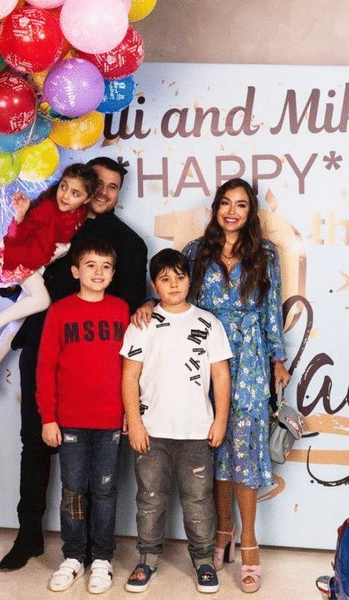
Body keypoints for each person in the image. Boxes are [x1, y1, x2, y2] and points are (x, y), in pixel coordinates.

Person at [133, 179, 291, 593]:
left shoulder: (265, 253)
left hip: (250, 358)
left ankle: (250, 544)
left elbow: (271, 308)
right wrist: (148, 303)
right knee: (213, 446)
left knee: (244, 451)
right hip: (202, 356)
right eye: (225, 203)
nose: (232, 212)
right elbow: (173, 293)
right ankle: (222, 532)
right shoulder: (195, 252)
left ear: (250, 211)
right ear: (216, 208)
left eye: (241, 205)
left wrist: (278, 358)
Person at [0, 156, 148, 571]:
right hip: (44, 345)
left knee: (97, 467)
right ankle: (28, 534)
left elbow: (132, 314)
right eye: (97, 182)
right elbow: (16, 269)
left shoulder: (130, 244)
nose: (103, 191)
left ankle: (97, 551)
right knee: (35, 439)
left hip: (97, 365)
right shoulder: (52, 218)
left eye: (113, 186)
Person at [121, 248, 232, 594]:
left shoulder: (209, 323)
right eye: (165, 279)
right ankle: (147, 559)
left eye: (179, 278)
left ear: (189, 280)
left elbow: (221, 375)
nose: (173, 285)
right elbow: (129, 376)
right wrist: (135, 423)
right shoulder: (142, 323)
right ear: (154, 285)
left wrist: (221, 420)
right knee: (150, 499)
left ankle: (203, 560)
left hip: (196, 431)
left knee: (198, 500)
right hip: (152, 432)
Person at [36, 237, 130, 593]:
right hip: (70, 420)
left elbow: (133, 366)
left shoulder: (122, 310)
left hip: (110, 421)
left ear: (113, 274)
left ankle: (102, 558)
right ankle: (74, 556)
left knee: (105, 490)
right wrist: (48, 417)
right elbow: (45, 367)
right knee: (74, 490)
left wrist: (130, 411)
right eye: (91, 265)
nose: (98, 272)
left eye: (106, 267)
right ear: (76, 271)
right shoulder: (60, 311)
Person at [0, 163, 98, 398]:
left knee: (19, 320)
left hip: (38, 264)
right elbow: (16, 236)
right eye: (64, 187)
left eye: (75, 193)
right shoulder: (46, 210)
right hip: (23, 258)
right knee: (42, 300)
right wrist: (20, 216)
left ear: (86, 199)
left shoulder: (79, 213)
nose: (65, 195)